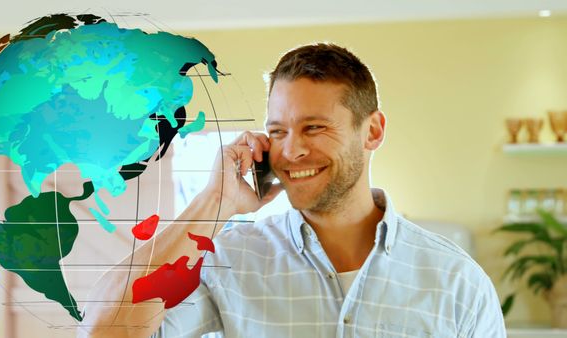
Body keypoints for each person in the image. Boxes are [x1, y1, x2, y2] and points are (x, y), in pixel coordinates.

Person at [81, 43, 506, 338]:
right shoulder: (230, 258)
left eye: (314, 127)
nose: (291, 150)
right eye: (277, 131)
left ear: (372, 130)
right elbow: (105, 329)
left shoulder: (455, 280)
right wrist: (215, 203)